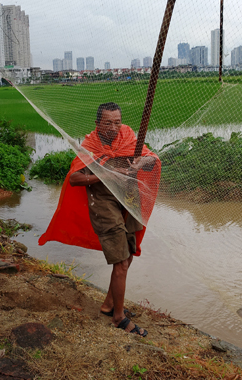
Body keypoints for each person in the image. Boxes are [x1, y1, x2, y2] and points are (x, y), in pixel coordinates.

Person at [39, 102, 161, 337]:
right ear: (97, 124)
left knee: (129, 252)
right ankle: (118, 318)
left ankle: (109, 305)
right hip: (103, 201)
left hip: (128, 197)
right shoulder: (90, 146)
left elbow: (151, 158)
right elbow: (75, 178)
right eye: (108, 123)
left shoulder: (128, 136)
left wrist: (140, 163)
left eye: (117, 122)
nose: (114, 127)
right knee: (121, 260)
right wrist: (107, 173)